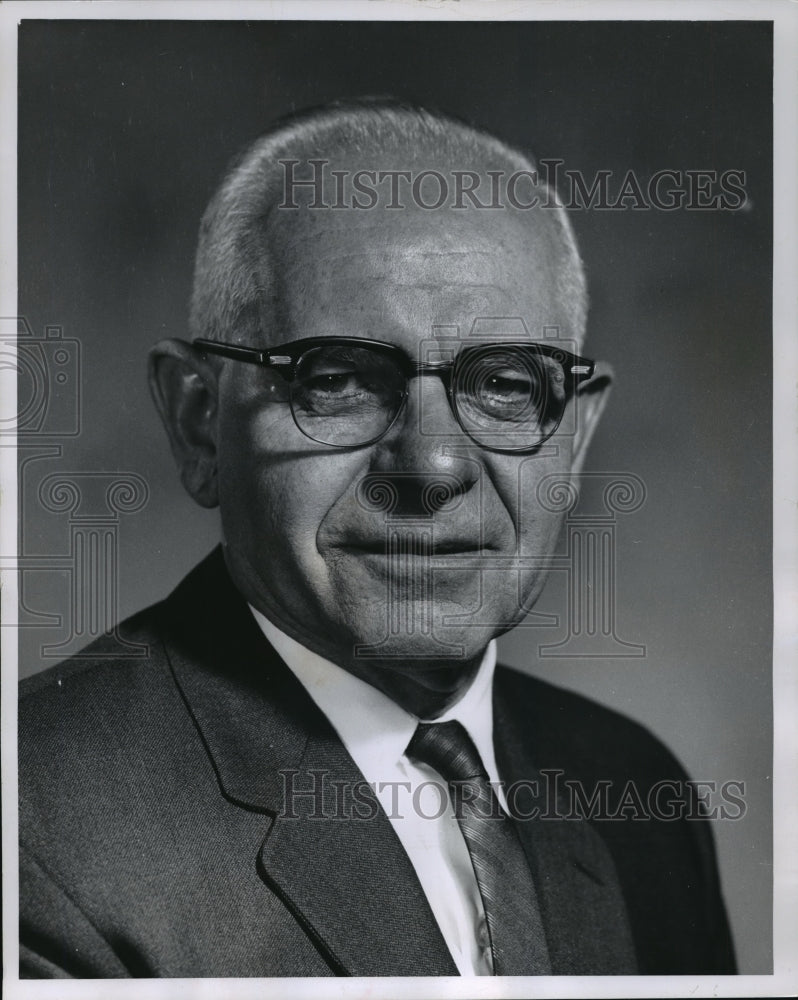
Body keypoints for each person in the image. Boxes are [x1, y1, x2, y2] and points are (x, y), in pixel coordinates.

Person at [18, 99, 736, 978]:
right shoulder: (37, 828)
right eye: (341, 379)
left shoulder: (637, 795)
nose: (432, 465)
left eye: (506, 383)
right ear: (201, 425)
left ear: (575, 437)